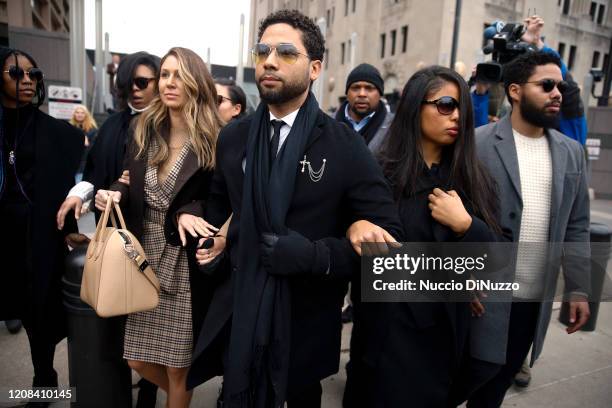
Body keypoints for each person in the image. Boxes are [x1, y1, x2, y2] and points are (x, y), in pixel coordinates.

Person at [180, 10, 402, 408]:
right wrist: (213, 243)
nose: (269, 60)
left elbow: (389, 237)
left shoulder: (343, 146)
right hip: (238, 316)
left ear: (315, 68)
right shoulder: (234, 137)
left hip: (304, 326)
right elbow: (220, 207)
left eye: (286, 52)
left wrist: (315, 256)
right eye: (262, 50)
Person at [343, 66, 506, 407]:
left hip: (446, 341)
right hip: (386, 339)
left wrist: (466, 226)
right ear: (416, 107)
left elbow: (497, 260)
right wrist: (353, 227)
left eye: (462, 108)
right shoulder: (377, 173)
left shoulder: (473, 177)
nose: (457, 117)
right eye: (446, 104)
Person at [95, 46, 223, 408]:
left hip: (182, 260)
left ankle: (179, 395)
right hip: (140, 253)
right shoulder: (143, 128)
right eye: (165, 74)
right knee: (136, 357)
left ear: (196, 83)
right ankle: (180, 397)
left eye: (179, 75)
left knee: (178, 367)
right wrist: (114, 194)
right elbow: (127, 179)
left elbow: (220, 198)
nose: (169, 82)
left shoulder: (215, 137)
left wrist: (189, 210)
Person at [462, 50, 591, 408]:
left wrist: (579, 289)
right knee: (463, 382)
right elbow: (452, 217)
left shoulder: (572, 153)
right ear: (515, 91)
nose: (557, 94)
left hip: (531, 302)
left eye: (560, 87)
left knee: (495, 389)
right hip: (480, 298)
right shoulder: (478, 143)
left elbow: (577, 225)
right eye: (547, 85)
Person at [56, 51, 162, 408]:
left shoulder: (169, 126)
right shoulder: (114, 125)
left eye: (143, 82)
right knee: (113, 321)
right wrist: (80, 195)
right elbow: (93, 174)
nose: (134, 89)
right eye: (128, 83)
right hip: (114, 239)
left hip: (155, 239)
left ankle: (147, 395)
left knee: (149, 328)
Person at [0, 47, 83, 407]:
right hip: (1, 234)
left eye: (33, 75)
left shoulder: (58, 133)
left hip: (37, 236)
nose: (27, 81)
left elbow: (66, 187)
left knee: (38, 314)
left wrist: (70, 228)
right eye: (16, 74)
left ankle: (44, 382)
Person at [334, 63, 393, 153]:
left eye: (369, 88)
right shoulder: (327, 123)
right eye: (355, 88)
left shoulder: (394, 126)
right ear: (347, 93)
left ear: (380, 94)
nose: (362, 94)